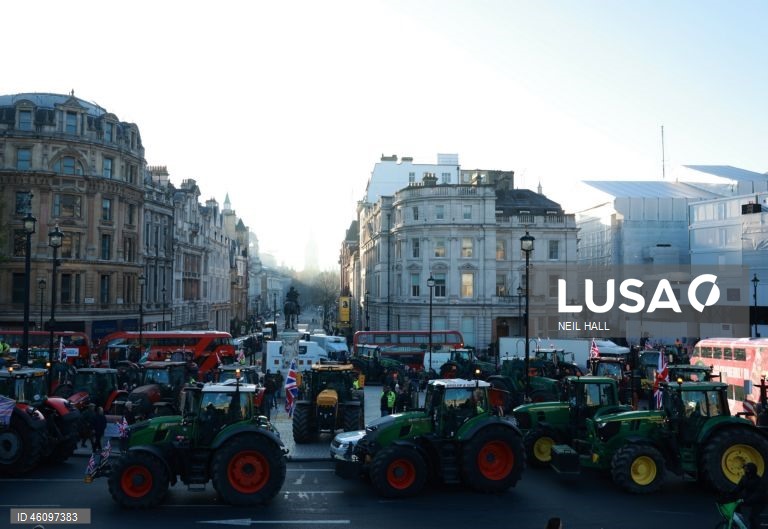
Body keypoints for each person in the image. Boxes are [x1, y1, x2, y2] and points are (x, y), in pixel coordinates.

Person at [730, 462, 767, 529]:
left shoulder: (759, 481)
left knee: (753, 518)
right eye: (744, 469)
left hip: (760, 502)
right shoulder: (744, 478)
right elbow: (738, 488)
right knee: (735, 504)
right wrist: (728, 494)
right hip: (748, 498)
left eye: (746, 469)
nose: (744, 470)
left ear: (750, 471)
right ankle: (739, 520)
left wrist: (745, 500)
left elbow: (757, 495)